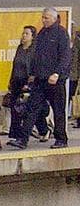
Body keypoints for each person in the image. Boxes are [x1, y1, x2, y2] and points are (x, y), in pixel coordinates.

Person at [9, 8, 71, 150]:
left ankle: (61, 139)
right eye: (43, 17)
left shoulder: (61, 33)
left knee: (58, 110)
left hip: (55, 80)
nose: (44, 20)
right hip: (40, 79)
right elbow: (37, 56)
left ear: (54, 19)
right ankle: (23, 139)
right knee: (31, 108)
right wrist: (33, 73)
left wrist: (57, 73)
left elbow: (65, 56)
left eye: (46, 18)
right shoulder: (42, 33)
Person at [6, 25, 49, 141]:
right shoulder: (20, 48)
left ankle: (44, 130)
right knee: (15, 108)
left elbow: (35, 66)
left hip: (29, 82)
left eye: (27, 34)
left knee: (29, 109)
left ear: (32, 36)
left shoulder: (34, 49)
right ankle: (16, 135)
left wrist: (31, 80)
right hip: (17, 81)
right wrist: (11, 80)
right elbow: (15, 65)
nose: (24, 36)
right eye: (23, 33)